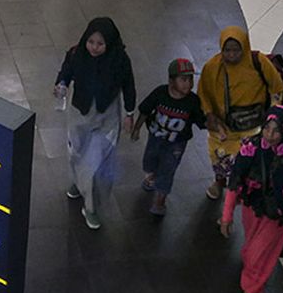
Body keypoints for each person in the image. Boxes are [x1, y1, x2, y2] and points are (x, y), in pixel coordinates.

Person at [219, 106, 283, 293]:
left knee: (259, 252)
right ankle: (254, 272)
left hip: (280, 214)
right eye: (267, 129)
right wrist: (227, 215)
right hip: (253, 207)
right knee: (253, 245)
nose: (270, 135)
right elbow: (235, 179)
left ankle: (251, 288)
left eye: (276, 130)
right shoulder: (251, 148)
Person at [54, 17, 136, 229]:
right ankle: (77, 182)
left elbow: (128, 85)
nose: (94, 48)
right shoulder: (76, 54)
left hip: (106, 117)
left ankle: (90, 207)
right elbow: (65, 73)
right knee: (76, 153)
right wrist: (61, 84)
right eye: (91, 42)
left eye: (100, 44)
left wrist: (129, 112)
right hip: (79, 114)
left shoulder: (119, 60)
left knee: (93, 163)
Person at [198, 27, 283, 207]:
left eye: (236, 50)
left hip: (253, 126)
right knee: (220, 158)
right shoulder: (212, 68)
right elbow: (203, 94)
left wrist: (274, 115)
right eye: (227, 50)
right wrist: (210, 115)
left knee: (247, 162)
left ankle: (240, 189)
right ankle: (220, 183)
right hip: (225, 127)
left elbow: (276, 87)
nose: (231, 55)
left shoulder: (258, 62)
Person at [132, 58, 207, 216]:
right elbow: (145, 110)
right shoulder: (160, 93)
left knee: (168, 169)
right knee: (149, 161)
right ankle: (151, 176)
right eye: (183, 79)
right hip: (156, 137)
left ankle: (160, 200)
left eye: (191, 80)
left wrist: (214, 125)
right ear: (171, 81)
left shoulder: (192, 101)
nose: (188, 84)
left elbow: (201, 120)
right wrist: (137, 128)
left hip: (176, 144)